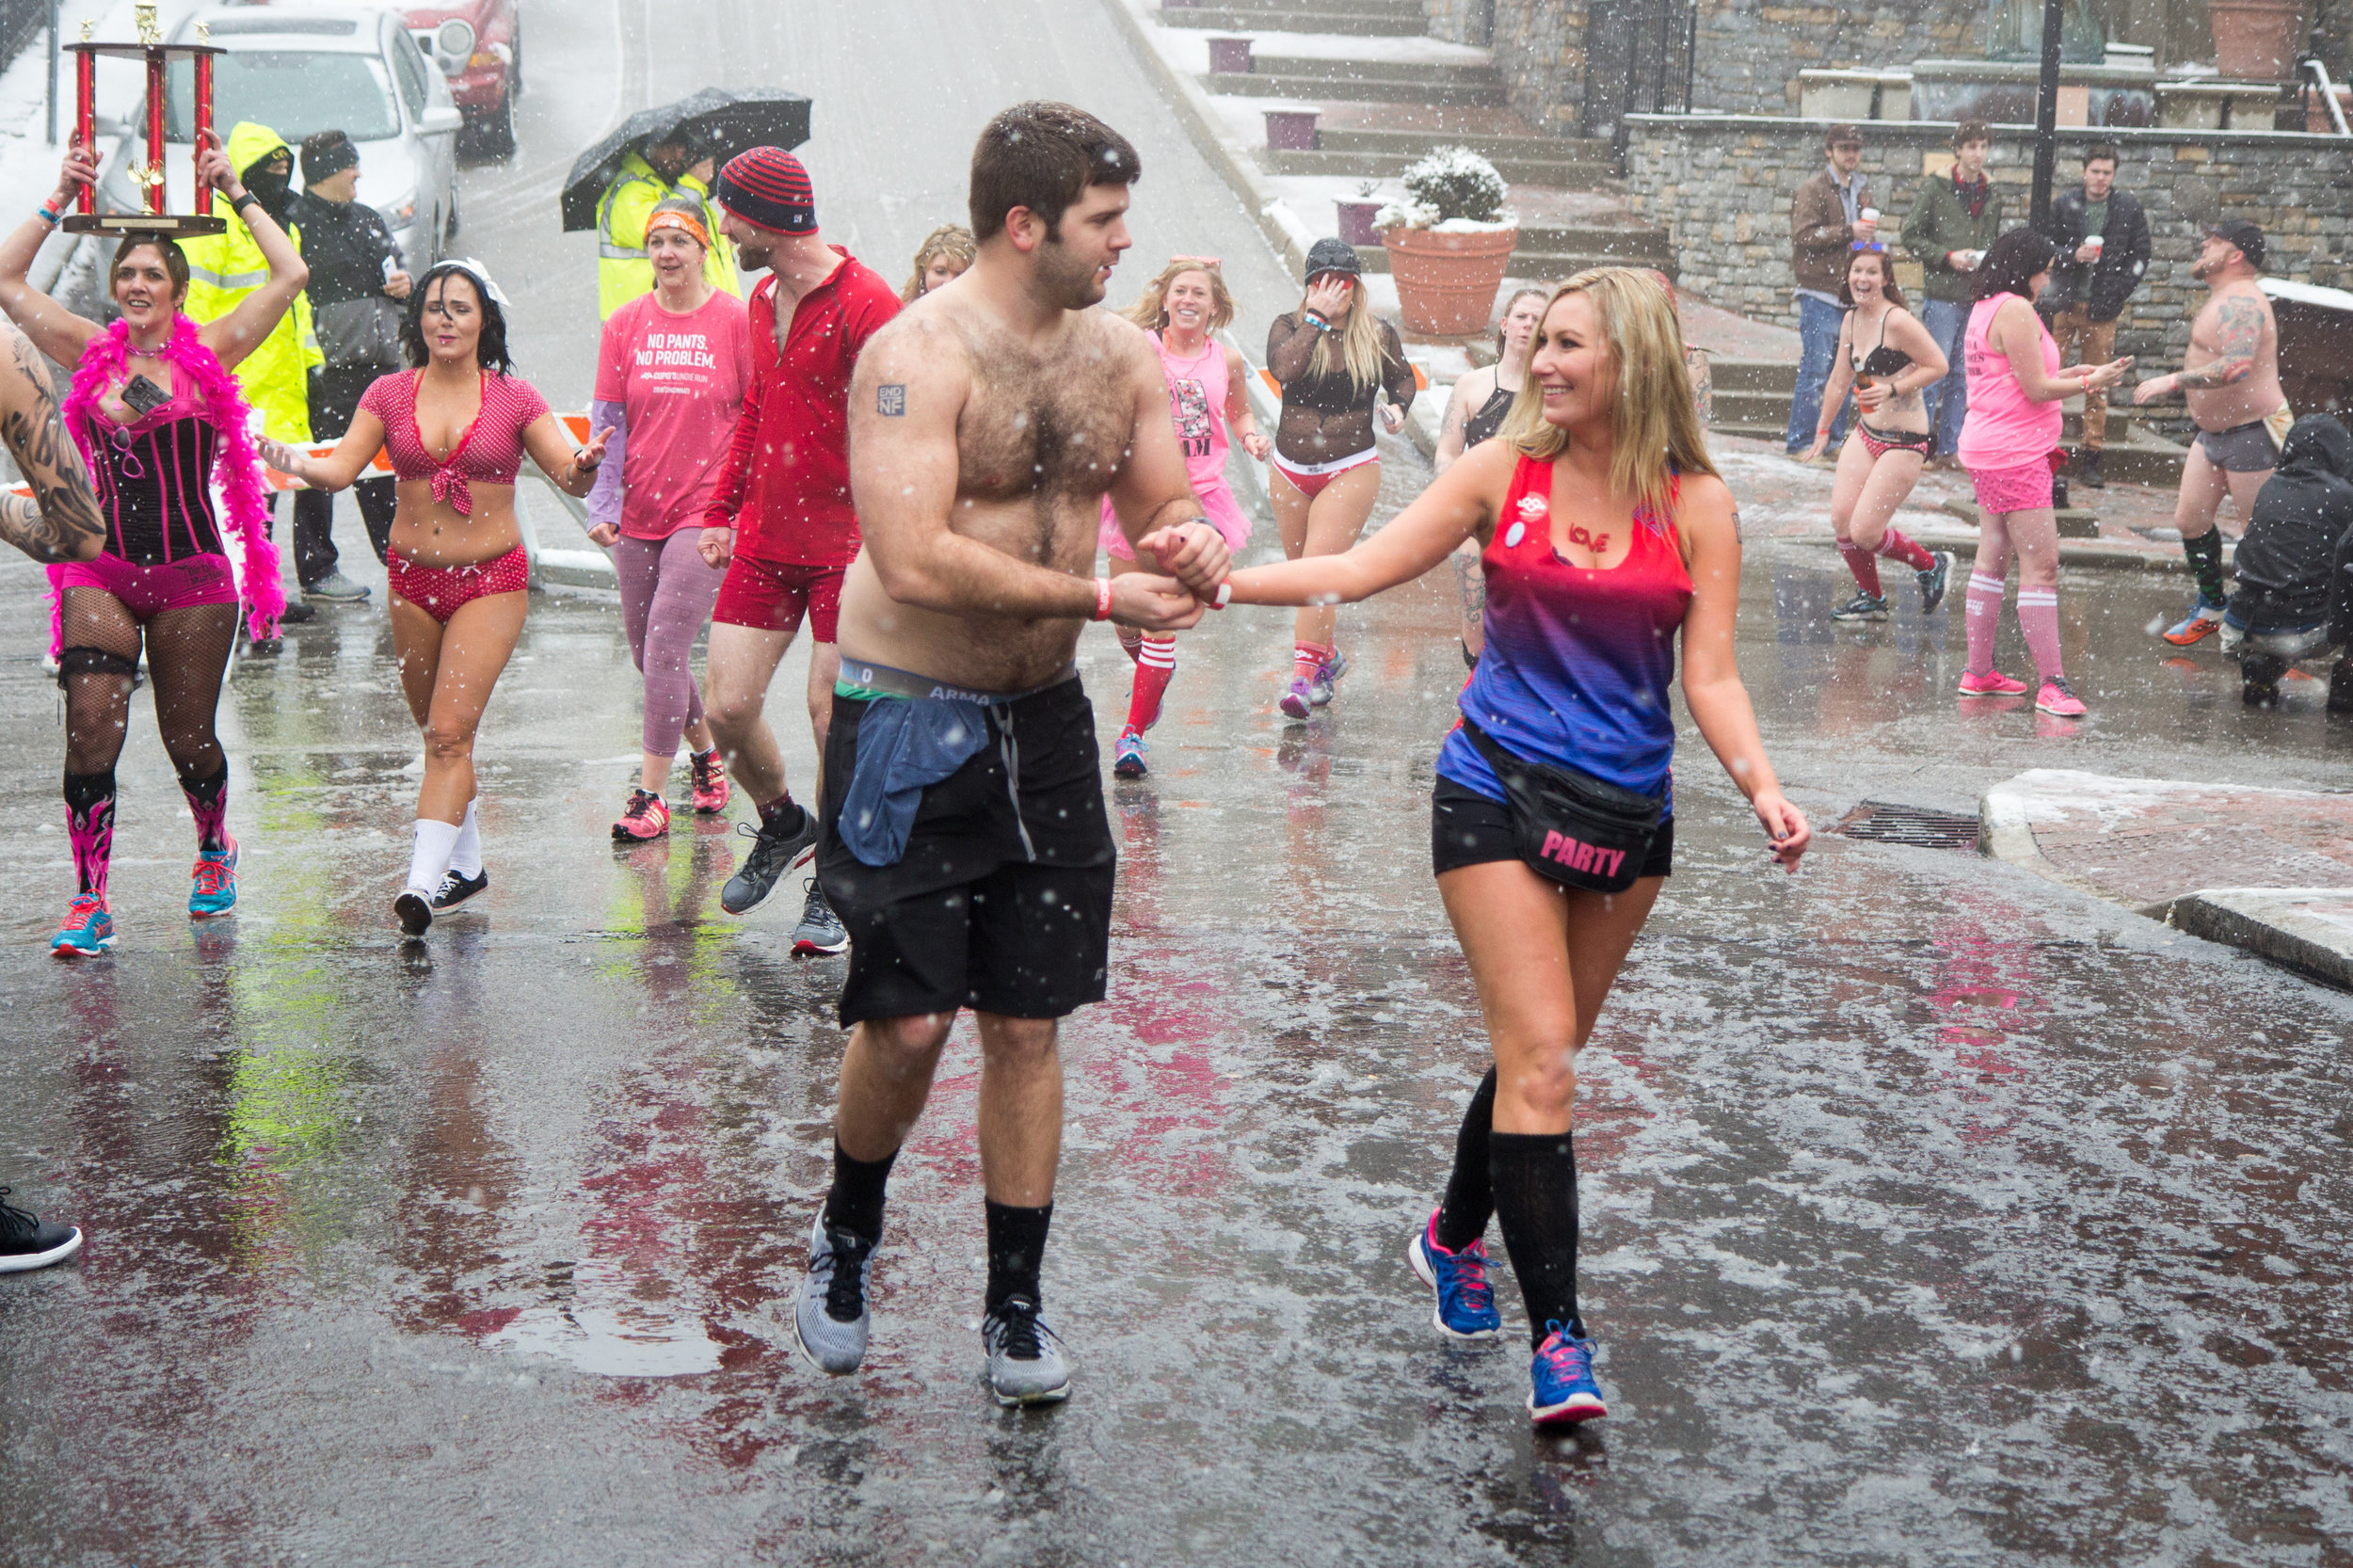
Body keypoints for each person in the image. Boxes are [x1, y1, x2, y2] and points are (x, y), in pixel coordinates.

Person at [1217, 267, 1808, 1429]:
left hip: (1626, 814)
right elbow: (1353, 570)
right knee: (1543, 1060)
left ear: (1631, 361)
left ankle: (1448, 1233)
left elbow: (1714, 673)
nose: (1542, 363)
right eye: (1538, 343)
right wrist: (1214, 586)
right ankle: (1560, 1343)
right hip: (1488, 783)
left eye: (1569, 345)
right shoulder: (1501, 473)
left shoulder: (1698, 504)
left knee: (1539, 1050)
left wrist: (1762, 785)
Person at [792, 102, 1228, 1408]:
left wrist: (1191, 543)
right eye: (1104, 220)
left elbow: (1159, 501)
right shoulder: (913, 354)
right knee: (912, 1018)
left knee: (1028, 1024)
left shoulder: (1122, 353)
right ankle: (848, 1238)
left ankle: (1015, 1304)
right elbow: (914, 556)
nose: (1124, 240)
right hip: (908, 717)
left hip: (1042, 725)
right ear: (1026, 223)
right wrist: (1105, 600)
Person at [0, 143, 303, 954]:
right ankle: (90, 897)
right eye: (125, 274)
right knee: (91, 723)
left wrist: (237, 193)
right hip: (98, 564)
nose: (136, 285)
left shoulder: (211, 359)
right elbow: (4, 282)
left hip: (194, 575)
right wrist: (58, 197)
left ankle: (213, 846)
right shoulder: (84, 350)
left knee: (187, 737)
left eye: (151, 275)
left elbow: (290, 276)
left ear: (177, 290)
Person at [263, 261, 608, 936]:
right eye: (434, 308)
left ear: (485, 321)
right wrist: (297, 462)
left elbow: (565, 474)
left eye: (460, 307)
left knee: (450, 734)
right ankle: (467, 863)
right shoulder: (389, 393)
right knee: (441, 736)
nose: (445, 319)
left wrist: (583, 466)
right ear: (417, 319)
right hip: (411, 582)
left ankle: (420, 886)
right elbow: (339, 471)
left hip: (490, 581)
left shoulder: (514, 397)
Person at [695, 148, 902, 956]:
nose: (721, 225)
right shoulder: (760, 296)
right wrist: (723, 507)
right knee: (727, 708)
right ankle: (784, 824)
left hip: (846, 545)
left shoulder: (868, 301)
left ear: (763, 217)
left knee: (830, 718)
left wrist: (887, 540)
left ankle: (836, 886)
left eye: (727, 211)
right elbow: (757, 408)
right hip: (766, 538)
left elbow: (897, 426)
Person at [586, 199, 756, 840]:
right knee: (647, 652)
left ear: (703, 248)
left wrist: (737, 507)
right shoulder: (624, 326)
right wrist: (603, 506)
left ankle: (649, 795)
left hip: (706, 512)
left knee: (664, 644)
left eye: (678, 241)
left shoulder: (735, 322)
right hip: (639, 509)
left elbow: (755, 417)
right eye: (655, 241)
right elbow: (607, 421)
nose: (665, 253)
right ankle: (709, 759)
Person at [1099, 255, 1269, 778]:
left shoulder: (1228, 362)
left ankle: (1132, 736)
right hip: (1136, 494)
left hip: (1198, 502)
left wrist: (1251, 436)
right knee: (1126, 618)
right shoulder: (1141, 348)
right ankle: (1154, 681)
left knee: (1160, 624)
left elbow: (1237, 411)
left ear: (1215, 306)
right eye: (1181, 292)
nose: (1189, 300)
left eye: (1200, 293)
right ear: (1166, 300)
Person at [1954, 228, 2132, 717]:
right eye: (2045, 271)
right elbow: (2033, 389)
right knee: (2042, 567)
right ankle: (2052, 685)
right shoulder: (2014, 309)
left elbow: (2014, 378)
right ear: (2024, 269)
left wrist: (2074, 375)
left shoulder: (1986, 306)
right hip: (2015, 452)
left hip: (1990, 446)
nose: (2047, 281)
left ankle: (1978, 671)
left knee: (1993, 556)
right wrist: (2092, 380)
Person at [182, 122, 323, 634]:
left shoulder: (276, 226)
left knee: (265, 498)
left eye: (286, 170)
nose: (280, 180)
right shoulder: (212, 228)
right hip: (240, 387)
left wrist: (313, 362)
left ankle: (263, 595)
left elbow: (297, 307)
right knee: (234, 499)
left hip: (283, 387)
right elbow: (194, 309)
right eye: (269, 169)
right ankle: (236, 598)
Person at [1266, 237, 1414, 719]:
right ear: (1308, 286)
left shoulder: (1376, 333)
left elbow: (1403, 380)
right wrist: (1316, 318)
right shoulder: (1288, 327)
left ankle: (1302, 679)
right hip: (1290, 470)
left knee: (1316, 573)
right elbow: (1284, 370)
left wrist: (1398, 408)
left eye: (1341, 281)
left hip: (1350, 467)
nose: (1331, 289)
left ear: (1355, 286)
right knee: (1301, 581)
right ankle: (1327, 657)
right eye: (1320, 281)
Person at [2132, 220, 2289, 646]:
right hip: (2213, 434)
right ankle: (2213, 605)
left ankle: (2273, 628)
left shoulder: (2243, 301)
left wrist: (2173, 381)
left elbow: (2236, 366)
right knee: (2190, 519)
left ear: (2236, 255)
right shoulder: (2223, 296)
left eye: (2215, 241)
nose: (2204, 245)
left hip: (2252, 432)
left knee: (2259, 536)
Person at [286, 129, 408, 600]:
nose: (358, 173)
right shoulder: (296, 223)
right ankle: (317, 570)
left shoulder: (368, 219)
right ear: (327, 172)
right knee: (320, 469)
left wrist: (405, 286)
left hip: (379, 368)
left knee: (381, 467)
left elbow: (396, 270)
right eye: (350, 166)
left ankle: (396, 556)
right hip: (326, 372)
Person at [1803, 244, 1955, 621]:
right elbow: (1840, 379)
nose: (1862, 279)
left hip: (1905, 442)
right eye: (1857, 271)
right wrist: (1823, 429)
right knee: (1842, 520)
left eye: (1872, 272)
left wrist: (1893, 388)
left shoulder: (1898, 321)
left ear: (1886, 279)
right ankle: (1872, 598)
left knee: (1866, 532)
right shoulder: (1851, 319)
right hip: (1868, 432)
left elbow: (1939, 365)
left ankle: (1930, 564)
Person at [2034, 144, 2150, 490]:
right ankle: (2040, 451)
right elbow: (2044, 248)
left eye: (2107, 173)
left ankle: (2091, 457)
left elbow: (2140, 256)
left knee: (2098, 385)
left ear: (2114, 175)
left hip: (2102, 310)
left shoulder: (2127, 208)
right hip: (2063, 307)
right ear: (2084, 171)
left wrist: (2117, 293)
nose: (2100, 179)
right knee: (2046, 379)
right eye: (2095, 171)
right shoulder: (2064, 204)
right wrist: (2072, 255)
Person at [2222, 414, 2353, 707]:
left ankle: (2261, 669)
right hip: (2305, 631)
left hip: (2240, 627)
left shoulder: (2272, 486)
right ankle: (2347, 683)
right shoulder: (2345, 495)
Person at [1903, 121, 2004, 463]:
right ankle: (1921, 446)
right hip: (1943, 293)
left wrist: (1986, 265)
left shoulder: (1993, 191)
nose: (1978, 154)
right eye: (1971, 146)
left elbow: (1993, 240)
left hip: (1976, 296)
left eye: (1983, 146)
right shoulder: (1936, 187)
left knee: (1964, 376)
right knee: (1934, 370)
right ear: (1957, 149)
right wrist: (1947, 257)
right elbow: (1911, 236)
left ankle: (1949, 449)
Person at [1785, 123, 1875, 458]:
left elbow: (1861, 238)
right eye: (1844, 148)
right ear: (1829, 151)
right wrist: (1849, 231)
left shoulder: (1862, 190)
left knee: (1847, 372)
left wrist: (1876, 246)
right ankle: (1801, 442)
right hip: (1819, 292)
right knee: (1816, 370)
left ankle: (1833, 441)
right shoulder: (1813, 188)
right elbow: (1804, 236)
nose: (1851, 154)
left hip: (1850, 294)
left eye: (1856, 148)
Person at [597, 132, 738, 318]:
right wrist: (692, 183)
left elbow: (700, 247)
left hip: (707, 315)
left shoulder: (668, 189)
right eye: (669, 147)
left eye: (682, 147)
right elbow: (667, 229)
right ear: (647, 149)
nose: (679, 154)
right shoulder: (629, 192)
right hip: (645, 325)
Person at [900, 223, 975, 301]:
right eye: (940, 272)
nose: (949, 282)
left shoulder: (986, 311)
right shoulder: (902, 311)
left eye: (960, 274)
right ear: (922, 271)